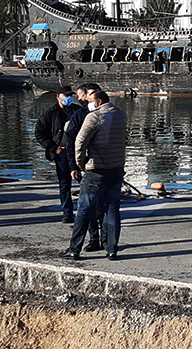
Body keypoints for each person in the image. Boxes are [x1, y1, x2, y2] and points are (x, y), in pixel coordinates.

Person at [60, 90, 127, 261]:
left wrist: (80, 163)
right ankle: (112, 249)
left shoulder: (94, 116)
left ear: (99, 102)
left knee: (84, 209)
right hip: (116, 168)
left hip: (96, 170)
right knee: (113, 209)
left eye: (89, 100)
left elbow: (80, 141)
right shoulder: (121, 115)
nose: (87, 103)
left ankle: (75, 249)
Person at [63, 83, 104, 251]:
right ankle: (95, 239)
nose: (83, 99)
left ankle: (104, 240)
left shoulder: (107, 114)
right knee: (90, 206)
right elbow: (71, 141)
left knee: (100, 205)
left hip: (101, 164)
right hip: (88, 165)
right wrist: (74, 165)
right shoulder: (80, 115)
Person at [35, 86, 81, 223]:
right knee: (64, 183)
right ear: (58, 96)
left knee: (84, 182)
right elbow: (39, 133)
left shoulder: (78, 111)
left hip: (78, 151)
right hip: (62, 153)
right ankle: (67, 212)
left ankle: (89, 212)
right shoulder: (50, 114)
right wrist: (53, 148)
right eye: (65, 95)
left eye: (70, 96)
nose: (68, 98)